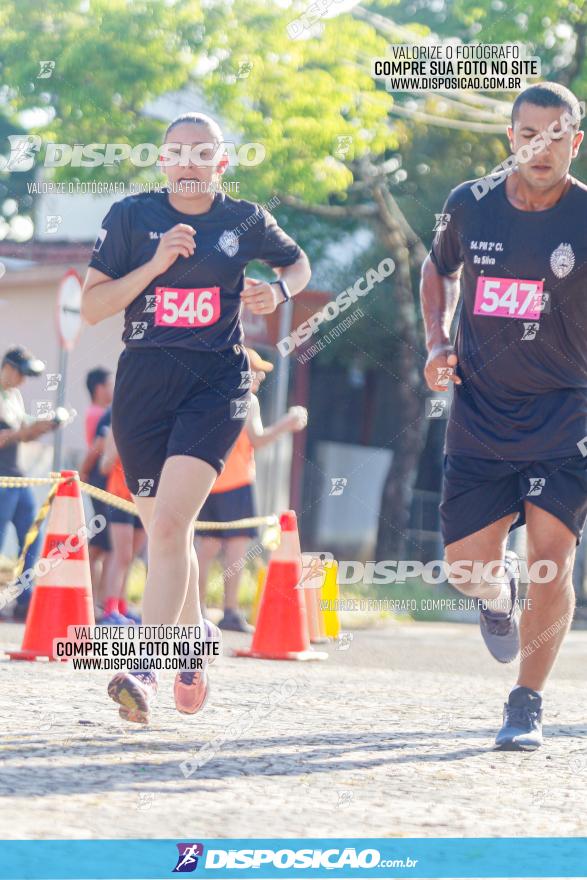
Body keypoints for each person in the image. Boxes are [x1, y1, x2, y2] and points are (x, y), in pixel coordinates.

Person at [82, 111, 311, 723]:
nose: (188, 161)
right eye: (177, 152)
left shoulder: (244, 220)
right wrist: (154, 266)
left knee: (169, 527)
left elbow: (299, 264)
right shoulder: (131, 217)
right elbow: (93, 308)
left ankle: (144, 670)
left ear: (222, 162)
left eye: (201, 152)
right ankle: (191, 649)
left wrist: (281, 292)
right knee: (169, 535)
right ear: (162, 162)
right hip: (143, 386)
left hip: (216, 383)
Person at [421, 82, 587, 751]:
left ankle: (526, 702)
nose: (540, 147)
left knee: (550, 557)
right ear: (508, 139)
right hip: (480, 412)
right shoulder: (469, 203)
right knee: (465, 568)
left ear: (575, 141)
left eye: (556, 135)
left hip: (565, 413)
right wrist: (436, 343)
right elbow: (437, 271)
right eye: (527, 134)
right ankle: (496, 599)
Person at [197, 351, 308, 632]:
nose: (260, 376)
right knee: (235, 549)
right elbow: (257, 439)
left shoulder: (214, 396)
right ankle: (231, 611)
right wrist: (288, 423)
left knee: (205, 549)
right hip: (235, 483)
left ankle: (196, 610)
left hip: (209, 480)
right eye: (256, 370)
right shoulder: (248, 400)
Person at [0, 347, 59, 620]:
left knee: (32, 536)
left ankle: (25, 597)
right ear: (8, 368)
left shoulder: (14, 396)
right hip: (2, 478)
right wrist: (25, 431)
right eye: (21, 373)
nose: (24, 380)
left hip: (16, 475)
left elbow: (21, 434)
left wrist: (44, 426)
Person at [98, 424, 146, 625]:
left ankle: (122, 605)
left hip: (143, 496)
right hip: (119, 496)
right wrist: (121, 443)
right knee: (121, 555)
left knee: (130, 557)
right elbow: (104, 466)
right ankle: (110, 609)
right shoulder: (116, 429)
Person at [79, 368, 114, 608]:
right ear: (100, 388)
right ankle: (90, 598)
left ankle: (98, 599)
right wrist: (83, 471)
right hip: (100, 480)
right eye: (111, 384)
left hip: (103, 479)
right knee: (100, 543)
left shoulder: (102, 412)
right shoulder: (98, 414)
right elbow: (96, 447)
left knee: (103, 545)